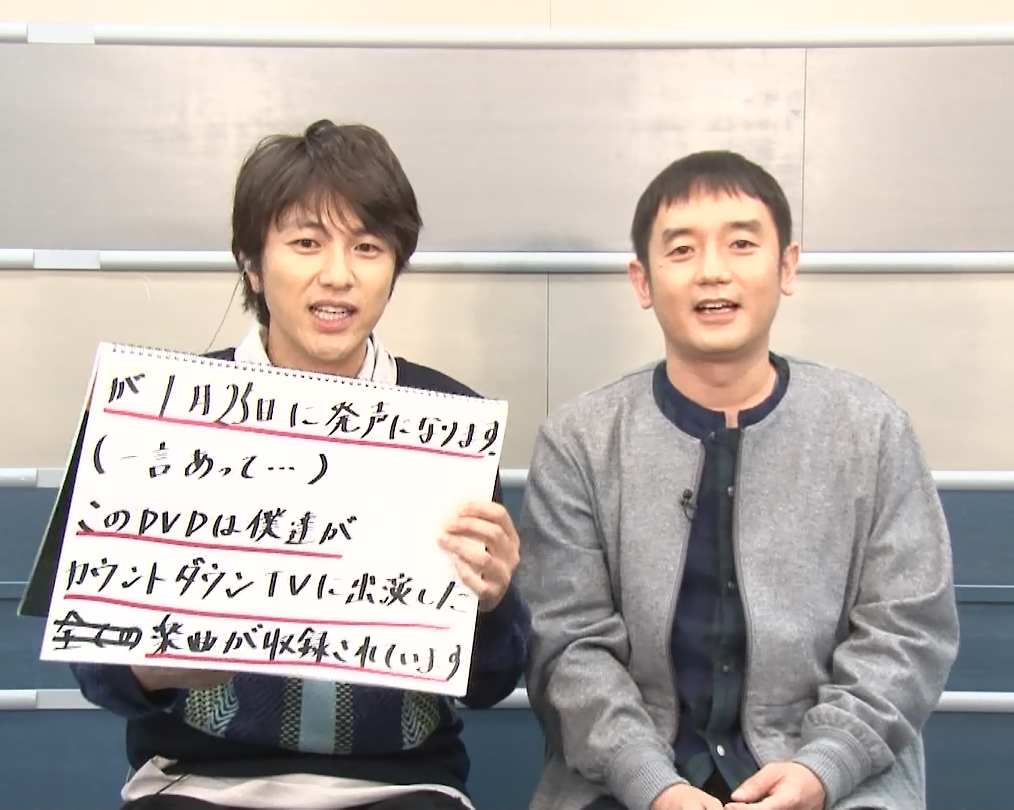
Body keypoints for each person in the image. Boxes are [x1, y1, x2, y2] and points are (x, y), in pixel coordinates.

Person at [70, 119, 531, 810]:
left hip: (403, 783)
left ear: (394, 267)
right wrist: (151, 668)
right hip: (196, 780)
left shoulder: (446, 424)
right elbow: (95, 667)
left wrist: (492, 606)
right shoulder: (166, 414)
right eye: (306, 242)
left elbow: (491, 683)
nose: (338, 275)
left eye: (367, 247)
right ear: (253, 264)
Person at [515, 151, 960, 810]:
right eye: (682, 250)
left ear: (787, 266)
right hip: (629, 785)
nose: (713, 271)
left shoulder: (870, 429)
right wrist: (652, 784)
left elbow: (908, 630)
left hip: (833, 781)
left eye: (742, 244)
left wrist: (822, 767)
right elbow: (566, 647)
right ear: (642, 280)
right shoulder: (579, 441)